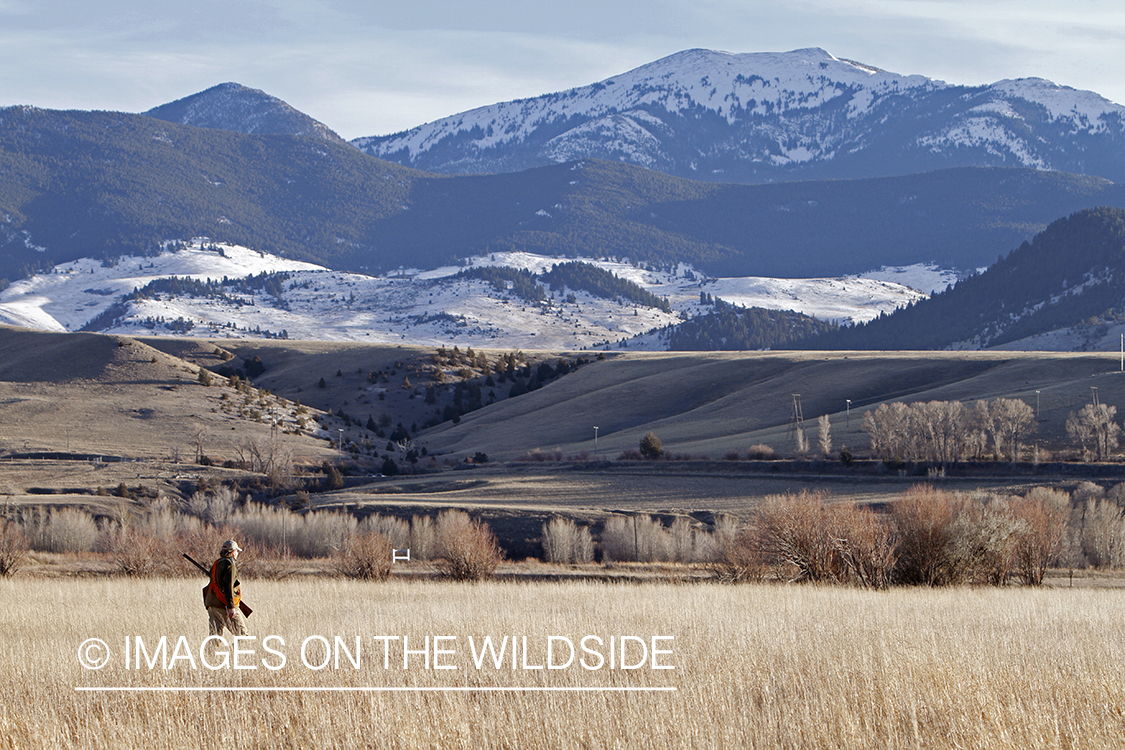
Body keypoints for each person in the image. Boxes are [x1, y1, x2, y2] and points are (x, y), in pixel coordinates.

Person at [204, 539, 247, 636]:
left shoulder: (216, 563)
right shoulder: (230, 565)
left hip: (212, 605)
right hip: (223, 605)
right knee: (243, 636)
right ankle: (233, 651)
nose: (237, 554)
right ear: (232, 552)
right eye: (236, 551)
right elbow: (228, 587)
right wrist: (231, 607)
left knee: (214, 637)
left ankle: (209, 652)